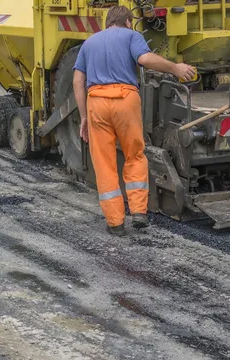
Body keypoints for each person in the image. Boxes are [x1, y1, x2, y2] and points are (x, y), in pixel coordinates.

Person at [72, 5, 195, 237]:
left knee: (104, 164)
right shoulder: (132, 35)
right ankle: (138, 211)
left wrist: (84, 117)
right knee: (134, 154)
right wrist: (175, 68)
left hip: (96, 101)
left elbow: (78, 82)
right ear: (128, 21)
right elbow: (145, 58)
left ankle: (115, 223)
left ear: (107, 23)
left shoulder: (89, 43)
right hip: (126, 100)